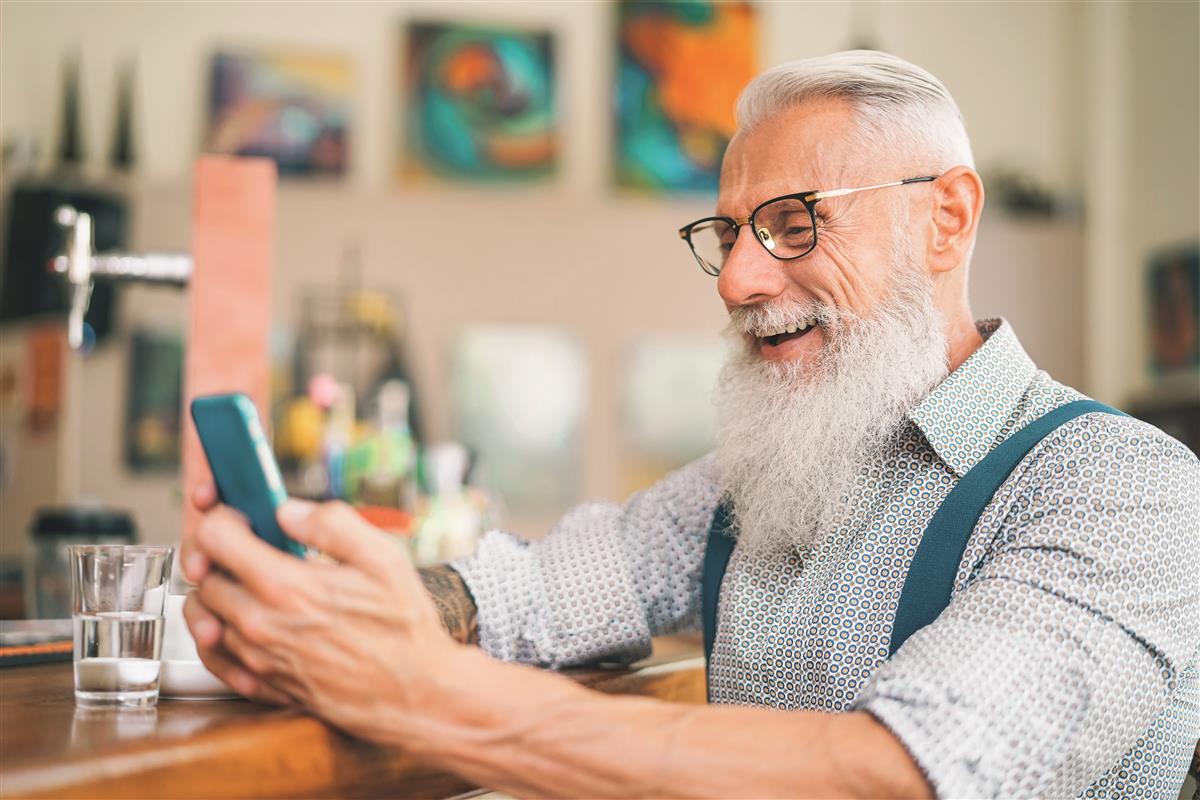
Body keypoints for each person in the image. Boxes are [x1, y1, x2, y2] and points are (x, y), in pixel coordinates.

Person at [182, 51, 1200, 798]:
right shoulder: (755, 477)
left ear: (945, 219)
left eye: (796, 221)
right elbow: (533, 588)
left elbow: (897, 773)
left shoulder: (1125, 486)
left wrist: (424, 693)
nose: (743, 278)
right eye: (729, 234)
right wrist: (320, 594)